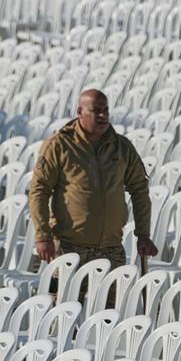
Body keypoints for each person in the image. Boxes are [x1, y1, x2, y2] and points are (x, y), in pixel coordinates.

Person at [29, 89, 158, 272]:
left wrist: (143, 234)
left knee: (111, 301)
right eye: (96, 110)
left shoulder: (121, 147)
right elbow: (39, 191)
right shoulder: (59, 145)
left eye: (105, 110)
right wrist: (43, 236)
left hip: (111, 248)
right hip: (69, 248)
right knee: (65, 300)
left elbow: (139, 190)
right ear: (80, 112)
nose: (103, 115)